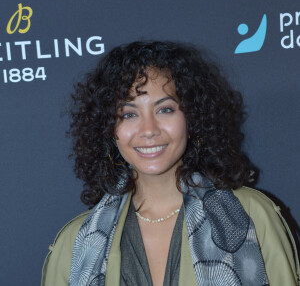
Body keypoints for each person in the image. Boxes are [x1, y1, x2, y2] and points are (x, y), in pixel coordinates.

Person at [41, 41, 299, 286]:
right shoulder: (74, 245)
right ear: (109, 129)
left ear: (192, 117)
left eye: (165, 109)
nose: (149, 130)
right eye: (129, 114)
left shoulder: (250, 217)